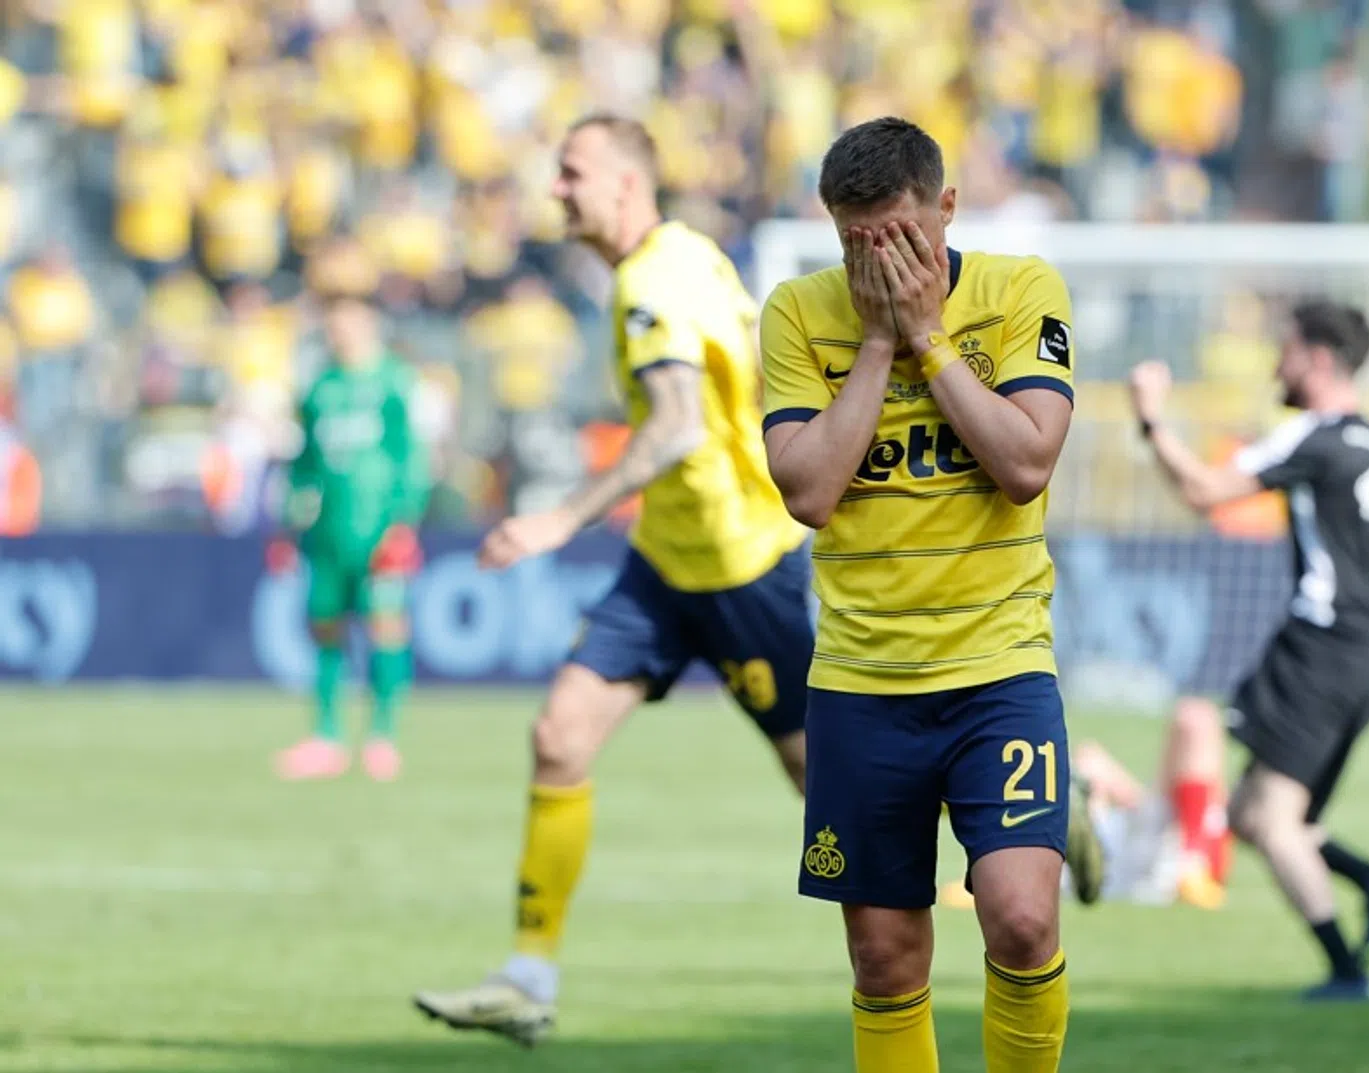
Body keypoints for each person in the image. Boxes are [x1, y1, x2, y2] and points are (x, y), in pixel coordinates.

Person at [412, 115, 813, 1047]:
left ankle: (1044, 805)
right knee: (559, 736)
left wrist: (558, 517)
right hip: (668, 560)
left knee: (833, 785)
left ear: (627, 186)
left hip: (742, 563)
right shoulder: (687, 256)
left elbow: (675, 423)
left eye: (572, 173)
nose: (556, 189)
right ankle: (527, 976)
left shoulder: (650, 282)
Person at [761, 116, 1077, 1073]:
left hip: (998, 669)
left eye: (902, 236)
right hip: (862, 682)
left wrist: (929, 341)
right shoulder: (795, 313)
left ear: (946, 206)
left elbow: (1026, 462)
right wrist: (874, 342)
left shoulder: (1021, 289)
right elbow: (809, 490)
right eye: (857, 243)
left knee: (1020, 917)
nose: (881, 260)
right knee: (883, 953)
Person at [1129, 300, 1369, 1001]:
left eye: (1288, 351)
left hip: (1318, 649)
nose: (1277, 364)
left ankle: (1347, 970)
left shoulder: (1309, 437)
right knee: (1253, 813)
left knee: (1269, 820)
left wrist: (1151, 418)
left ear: (1320, 359)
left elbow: (1205, 492)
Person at [269, 280, 428, 782]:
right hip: (327, 533)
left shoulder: (393, 382)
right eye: (333, 320)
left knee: (385, 628)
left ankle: (383, 736)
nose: (340, 329)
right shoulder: (320, 387)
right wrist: (289, 524)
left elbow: (410, 458)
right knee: (326, 632)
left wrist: (404, 522)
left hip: (379, 528)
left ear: (370, 323)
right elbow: (305, 464)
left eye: (350, 318)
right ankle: (327, 736)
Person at [941, 706, 1234, 910]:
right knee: (1086, 761)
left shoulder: (1199, 823)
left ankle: (999, 883)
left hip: (1164, 860)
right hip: (1108, 861)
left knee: (1197, 717)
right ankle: (998, 880)